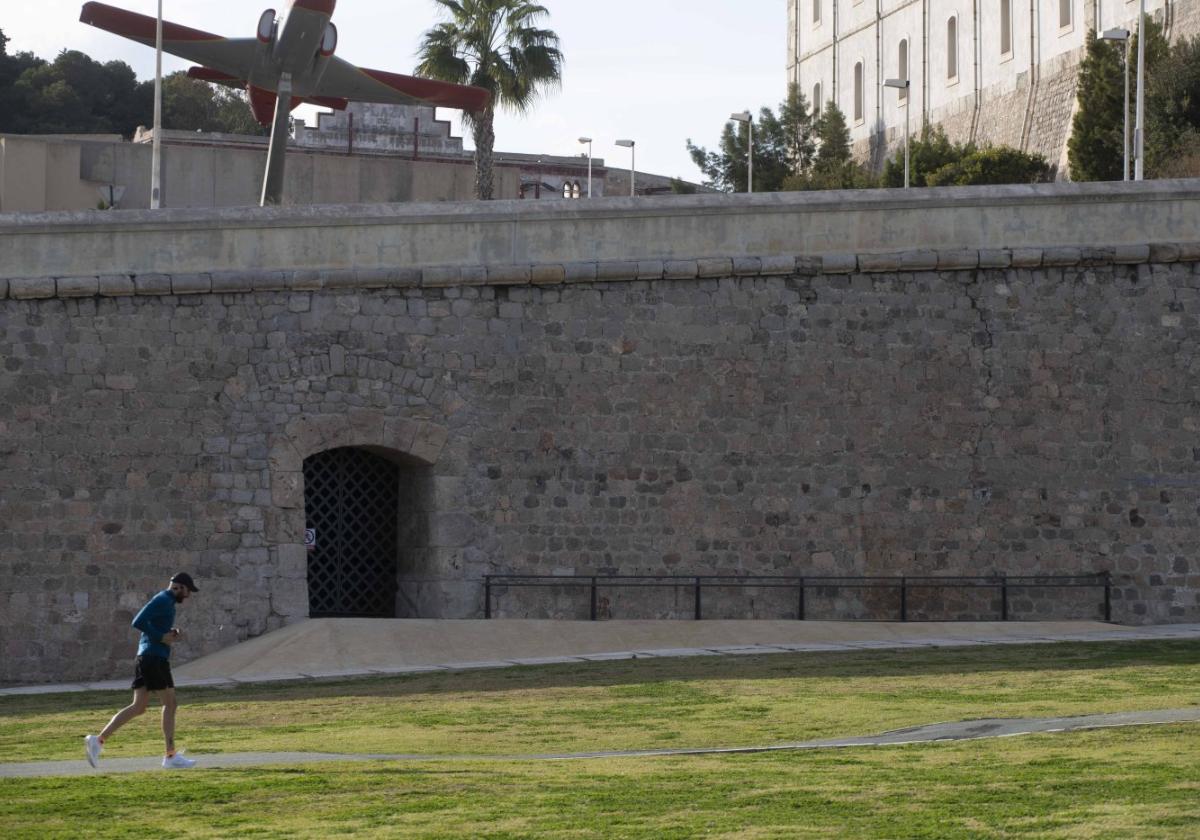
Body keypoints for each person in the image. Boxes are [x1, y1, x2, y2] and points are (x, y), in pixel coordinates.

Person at [84, 573, 200, 770]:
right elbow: (137, 621)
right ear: (179, 587)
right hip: (153, 658)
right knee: (170, 704)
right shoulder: (163, 599)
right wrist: (161, 637)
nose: (188, 596)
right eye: (188, 591)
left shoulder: (167, 602)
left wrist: (169, 632)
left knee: (138, 707)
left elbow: (153, 625)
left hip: (148, 657)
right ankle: (170, 756)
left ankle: (98, 740)